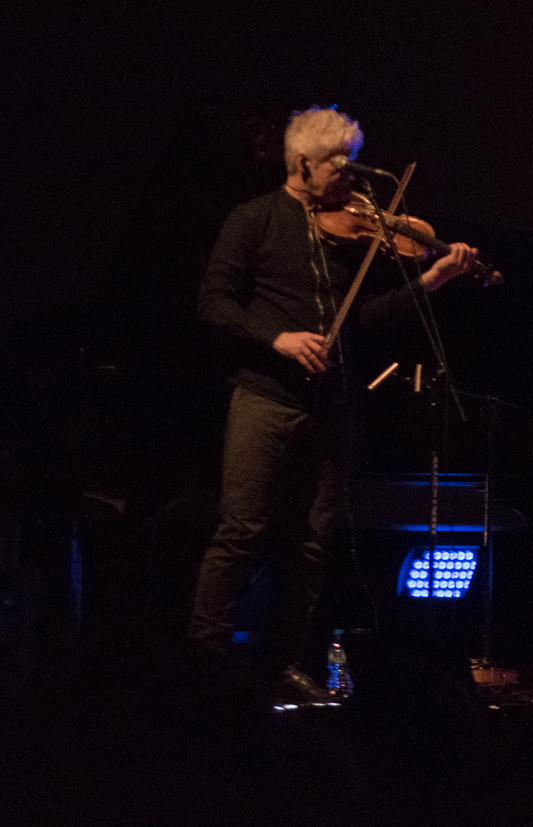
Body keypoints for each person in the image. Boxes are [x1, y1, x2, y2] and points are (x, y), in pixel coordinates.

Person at [191, 106, 479, 696]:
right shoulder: (254, 219)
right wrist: (277, 338)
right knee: (242, 529)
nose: (349, 179)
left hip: (330, 405)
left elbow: (360, 323)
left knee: (314, 538)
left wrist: (428, 284)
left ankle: (282, 661)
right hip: (264, 399)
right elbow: (214, 303)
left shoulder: (346, 233)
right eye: (338, 166)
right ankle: (207, 656)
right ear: (302, 163)